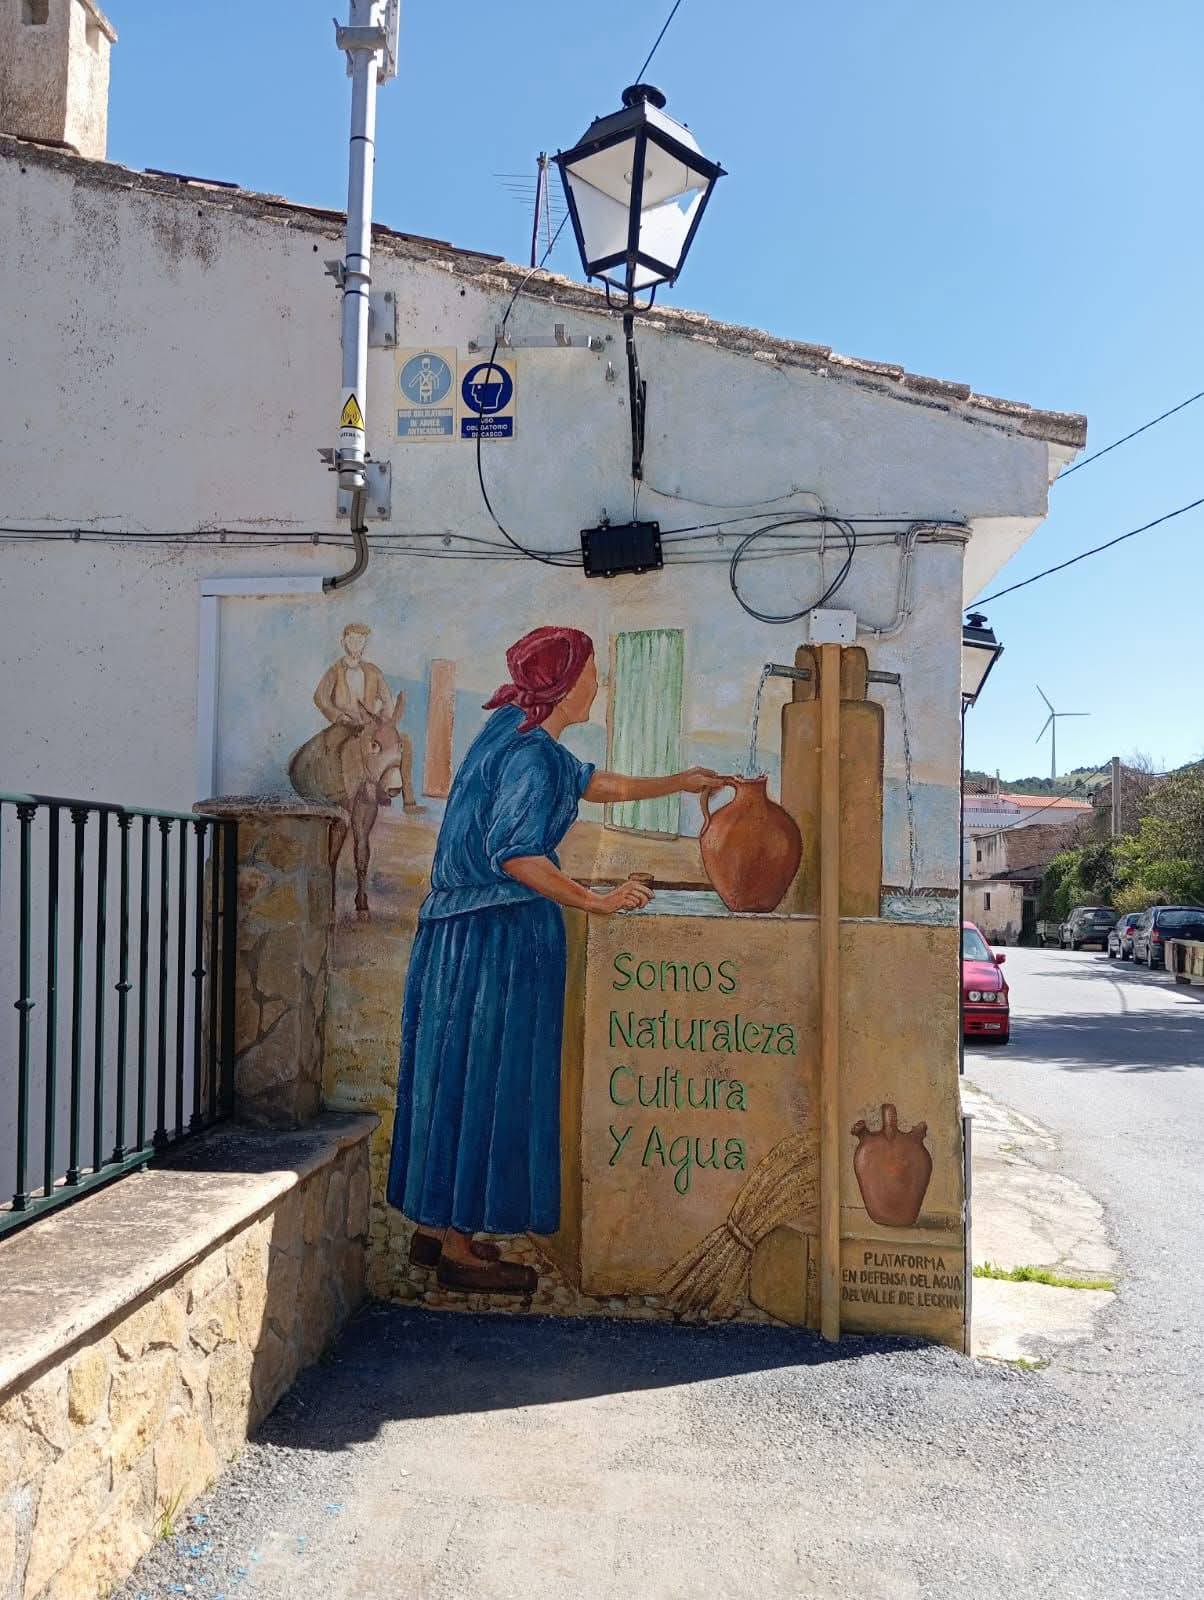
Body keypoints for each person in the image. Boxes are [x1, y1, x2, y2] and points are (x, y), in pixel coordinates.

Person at [386, 625, 726, 1293]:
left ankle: (433, 1230)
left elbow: (596, 784)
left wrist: (680, 781)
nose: (600, 687)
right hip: (496, 942)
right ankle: (460, 1250)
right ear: (567, 685)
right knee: (488, 1083)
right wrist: (596, 902)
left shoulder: (516, 733)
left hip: (458, 937)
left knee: (451, 1077)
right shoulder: (532, 756)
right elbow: (517, 856)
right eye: (594, 676)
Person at [314, 623, 395, 729]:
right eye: (351, 639)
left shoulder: (374, 672)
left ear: (365, 643)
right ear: (343, 643)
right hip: (343, 727)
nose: (355, 644)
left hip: (369, 727)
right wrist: (339, 716)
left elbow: (387, 700)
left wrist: (383, 721)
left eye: (360, 640)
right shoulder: (335, 670)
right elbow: (320, 697)